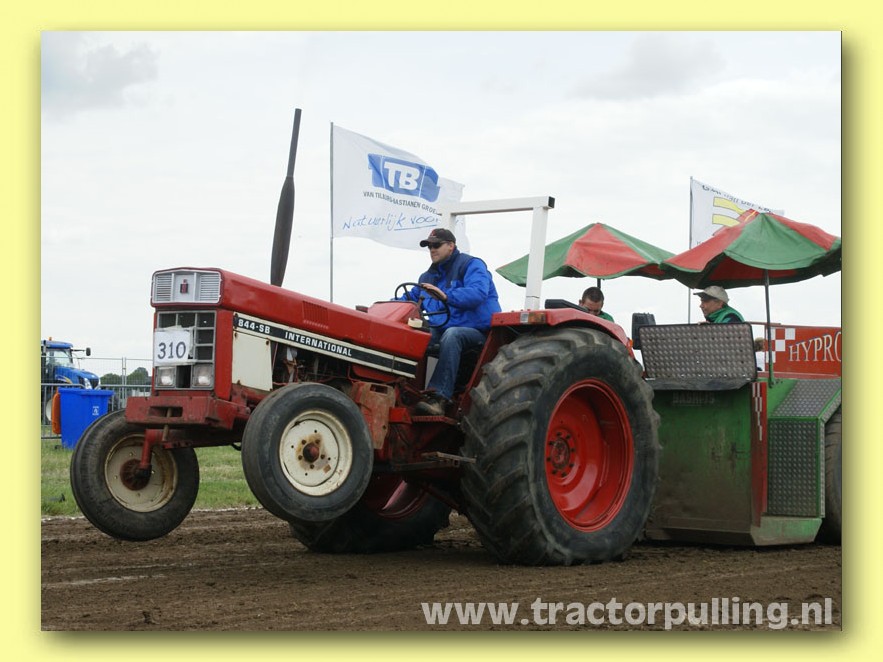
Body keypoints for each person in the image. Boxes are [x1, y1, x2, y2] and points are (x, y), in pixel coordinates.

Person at [399, 227, 501, 416]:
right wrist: (382, 308)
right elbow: (409, 299)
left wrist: (446, 296)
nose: (432, 250)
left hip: (478, 333)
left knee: (452, 335)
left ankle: (439, 398)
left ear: (451, 246)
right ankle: (403, 390)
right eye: (429, 246)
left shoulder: (471, 265)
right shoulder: (427, 277)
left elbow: (478, 293)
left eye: (436, 245)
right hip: (443, 330)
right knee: (415, 335)